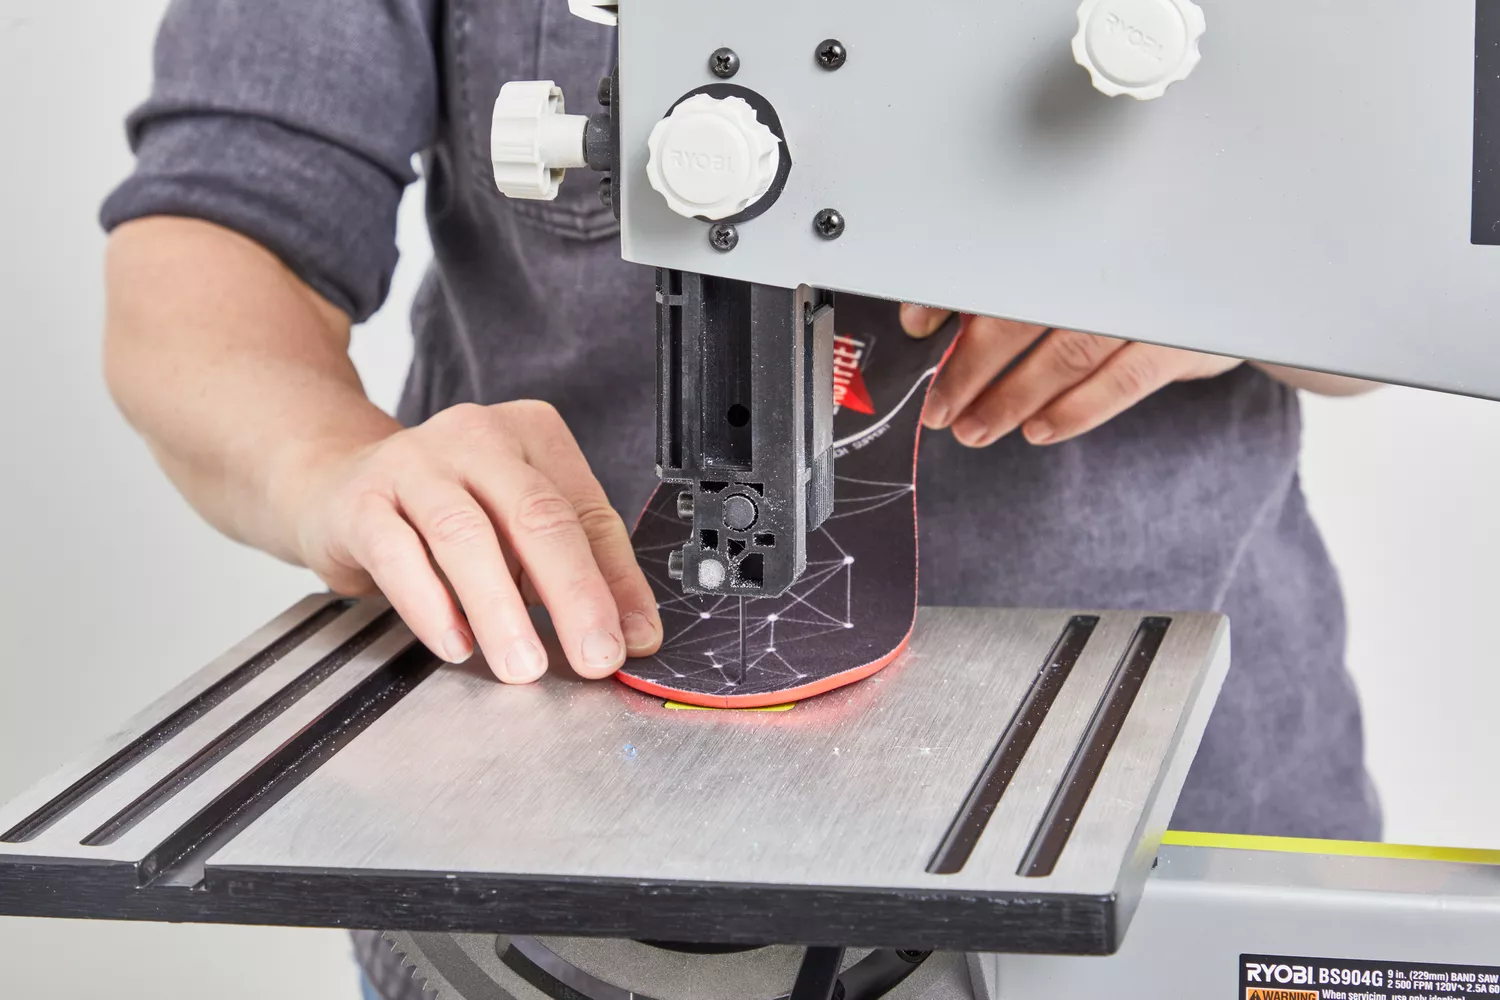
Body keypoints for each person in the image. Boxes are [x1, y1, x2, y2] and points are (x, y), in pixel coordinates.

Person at [100, 2, 1380, 997]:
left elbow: (1416, 207)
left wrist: (1257, 273)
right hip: (551, 896)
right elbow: (217, 232)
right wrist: (331, 462)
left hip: (1187, 830)